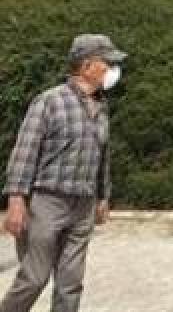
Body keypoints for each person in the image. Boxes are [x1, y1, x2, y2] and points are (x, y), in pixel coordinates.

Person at [1, 34, 128, 312]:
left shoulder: (101, 107)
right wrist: (16, 200)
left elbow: (101, 156)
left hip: (82, 205)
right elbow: (25, 152)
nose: (112, 70)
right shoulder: (49, 101)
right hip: (47, 203)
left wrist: (103, 197)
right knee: (34, 278)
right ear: (87, 66)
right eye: (107, 63)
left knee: (71, 282)